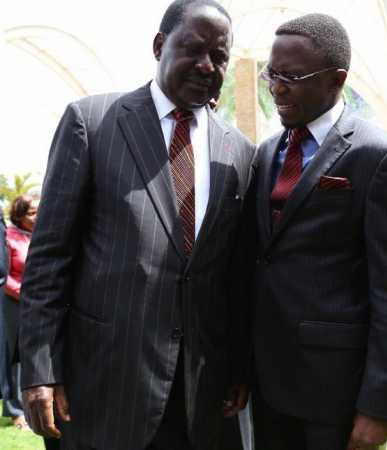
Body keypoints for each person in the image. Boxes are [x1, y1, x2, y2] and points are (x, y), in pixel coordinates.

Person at [18, 1, 255, 449]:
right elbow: (49, 260)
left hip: (201, 396)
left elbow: (235, 276)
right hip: (103, 388)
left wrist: (238, 367)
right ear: (160, 46)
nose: (207, 66)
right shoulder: (93, 123)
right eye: (194, 49)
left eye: (220, 57)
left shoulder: (239, 150)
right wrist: (41, 369)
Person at [250, 13, 387, 450]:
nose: (276, 87)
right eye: (272, 74)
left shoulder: (378, 156)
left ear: (336, 79)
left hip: (337, 394)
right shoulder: (267, 152)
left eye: (292, 76)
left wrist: (379, 407)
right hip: (268, 387)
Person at [4, 195, 38, 431]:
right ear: (19, 216)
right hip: (13, 304)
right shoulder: (8, 237)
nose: (37, 217)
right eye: (32, 213)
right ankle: (16, 413)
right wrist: (25, 294)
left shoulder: (40, 235)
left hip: (37, 304)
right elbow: (3, 277)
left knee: (31, 358)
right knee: (14, 359)